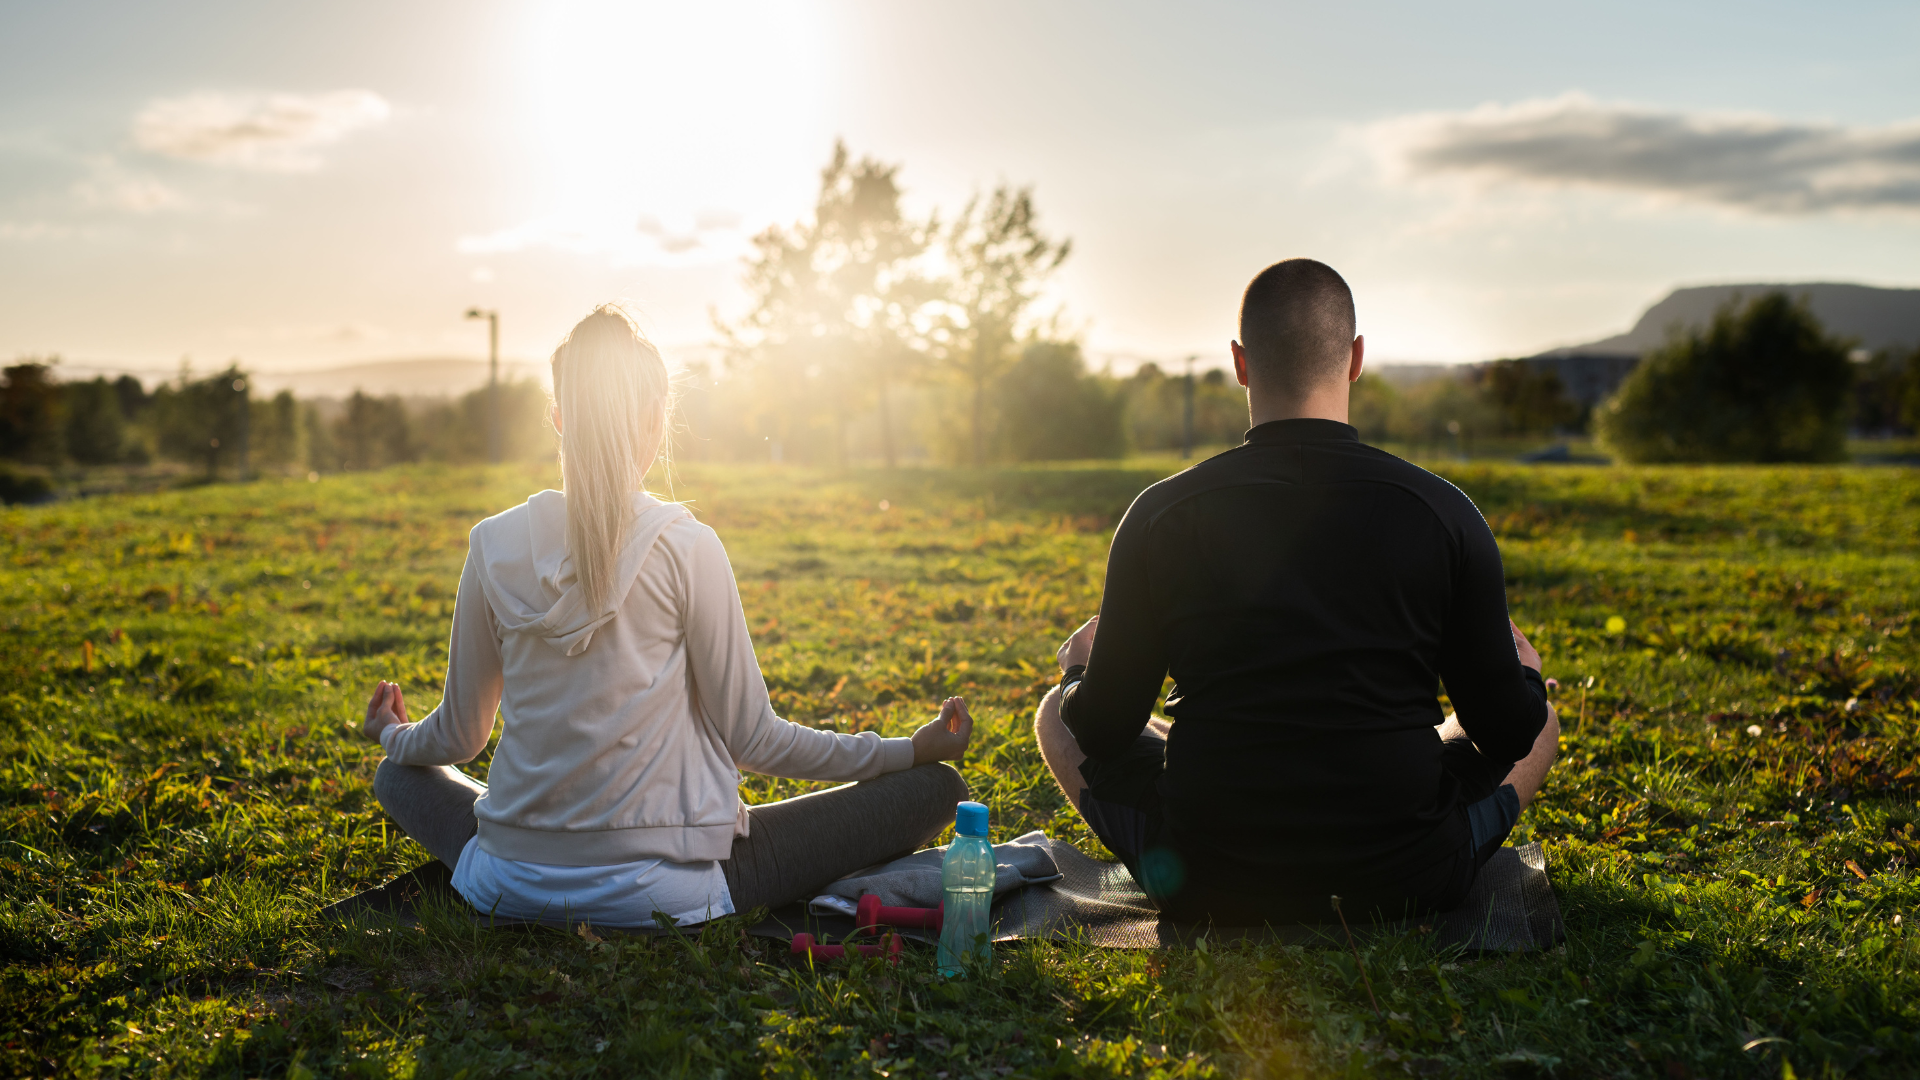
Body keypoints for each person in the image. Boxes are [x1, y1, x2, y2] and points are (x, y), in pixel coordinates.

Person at [360, 304, 972, 928]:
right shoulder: (687, 545)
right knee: (936, 789)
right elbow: (754, 738)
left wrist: (392, 734)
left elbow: (461, 739)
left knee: (398, 775)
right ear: (656, 420)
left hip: (507, 882)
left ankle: (505, 830)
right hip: (671, 893)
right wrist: (905, 750)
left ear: (558, 419)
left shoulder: (491, 543)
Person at [1032, 259, 1558, 925]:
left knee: (1057, 713)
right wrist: (1529, 681)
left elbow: (1104, 730)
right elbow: (1507, 728)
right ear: (1356, 358)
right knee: (1543, 724)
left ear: (1240, 363)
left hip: (1210, 878)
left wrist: (1080, 669)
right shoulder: (1446, 513)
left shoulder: (1161, 513)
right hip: (1406, 874)